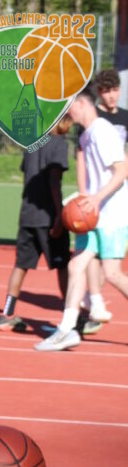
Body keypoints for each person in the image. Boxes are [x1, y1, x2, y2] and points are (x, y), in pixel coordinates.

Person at [35, 85, 128, 351]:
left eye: (69, 106)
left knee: (113, 274)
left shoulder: (103, 131)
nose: (67, 112)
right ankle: (67, 330)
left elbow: (122, 171)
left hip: (112, 215)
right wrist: (83, 199)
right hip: (94, 215)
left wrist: (96, 198)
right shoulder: (87, 135)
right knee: (76, 266)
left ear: (81, 103)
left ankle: (69, 327)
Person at [0, 120, 71, 331]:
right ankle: (71, 315)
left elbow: (27, 173)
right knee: (63, 266)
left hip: (27, 215)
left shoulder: (32, 143)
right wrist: (59, 215)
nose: (70, 125)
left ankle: (6, 314)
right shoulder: (59, 143)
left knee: (21, 265)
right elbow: (54, 181)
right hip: (48, 216)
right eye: (68, 120)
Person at [76, 68, 128, 333]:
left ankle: (90, 303)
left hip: (115, 198)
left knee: (111, 270)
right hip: (98, 201)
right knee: (88, 259)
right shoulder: (90, 120)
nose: (111, 96)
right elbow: (81, 157)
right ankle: (92, 305)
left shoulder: (118, 121)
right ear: (98, 93)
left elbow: (123, 164)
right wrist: (84, 192)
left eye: (115, 90)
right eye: (106, 91)